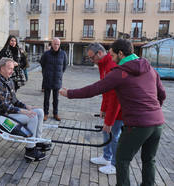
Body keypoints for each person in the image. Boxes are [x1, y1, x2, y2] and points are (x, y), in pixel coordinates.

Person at [59, 39, 166, 186]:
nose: (112, 58)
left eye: (113, 55)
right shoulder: (150, 68)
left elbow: (95, 89)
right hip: (158, 123)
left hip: (138, 125)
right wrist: (153, 112)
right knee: (149, 159)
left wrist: (70, 93)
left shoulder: (120, 72)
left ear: (121, 54)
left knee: (122, 159)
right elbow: (162, 94)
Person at [0, 57, 51, 161]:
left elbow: (14, 101)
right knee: (33, 117)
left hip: (11, 112)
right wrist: (23, 111)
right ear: (2, 68)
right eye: (10, 68)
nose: (12, 71)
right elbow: (3, 106)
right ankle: (30, 150)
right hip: (3, 116)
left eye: (12, 68)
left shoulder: (8, 81)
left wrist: (27, 107)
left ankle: (37, 140)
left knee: (40, 112)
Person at [86, 43, 123, 175]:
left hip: (119, 109)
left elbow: (114, 97)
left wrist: (109, 120)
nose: (91, 61)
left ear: (100, 53)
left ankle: (115, 164)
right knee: (106, 132)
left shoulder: (111, 66)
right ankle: (106, 157)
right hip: (111, 107)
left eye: (92, 58)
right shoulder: (103, 66)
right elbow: (105, 91)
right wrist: (103, 108)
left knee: (113, 134)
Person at [40, 38, 67, 121]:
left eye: (58, 44)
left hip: (57, 80)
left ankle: (55, 113)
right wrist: (46, 73)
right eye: (55, 44)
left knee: (56, 99)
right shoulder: (46, 54)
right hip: (48, 79)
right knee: (46, 99)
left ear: (60, 45)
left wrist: (59, 74)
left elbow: (64, 66)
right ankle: (45, 114)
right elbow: (42, 63)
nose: (56, 46)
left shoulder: (63, 54)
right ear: (52, 44)